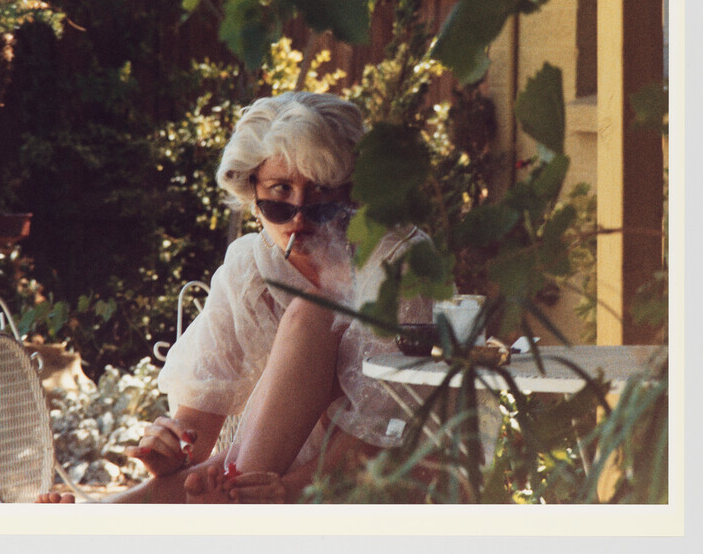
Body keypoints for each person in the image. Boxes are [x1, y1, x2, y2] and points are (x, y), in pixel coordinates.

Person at [37, 91, 432, 504]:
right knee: (210, 477)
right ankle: (95, 523)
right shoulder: (251, 266)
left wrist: (287, 491)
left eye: (320, 193)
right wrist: (175, 448)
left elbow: (381, 428)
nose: (299, 214)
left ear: (351, 192)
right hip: (260, 471)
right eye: (280, 190)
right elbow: (198, 423)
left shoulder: (395, 262)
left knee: (310, 317)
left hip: (371, 477)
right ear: (252, 191)